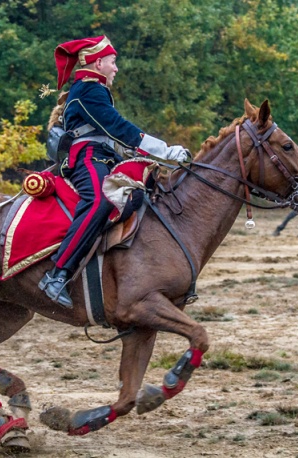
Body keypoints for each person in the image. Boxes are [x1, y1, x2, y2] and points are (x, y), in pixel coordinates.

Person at [39, 36, 191, 308]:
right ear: (98, 63)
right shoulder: (88, 89)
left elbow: (112, 136)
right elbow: (117, 127)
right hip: (86, 158)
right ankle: (57, 274)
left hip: (104, 158)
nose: (116, 68)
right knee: (100, 201)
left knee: (139, 195)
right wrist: (164, 150)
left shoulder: (95, 90)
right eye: (113, 62)